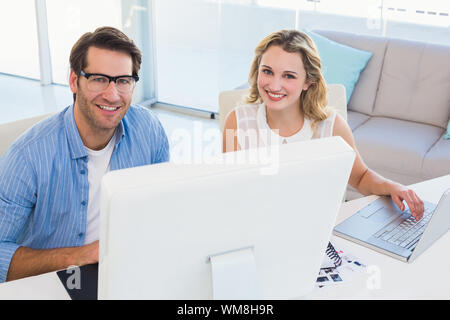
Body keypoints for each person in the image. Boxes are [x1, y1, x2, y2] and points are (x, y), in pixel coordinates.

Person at [0, 27, 169, 282]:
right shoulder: (27, 157)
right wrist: (76, 257)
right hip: (53, 283)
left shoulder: (149, 130)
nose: (112, 95)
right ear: (73, 81)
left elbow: (161, 209)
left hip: (130, 273)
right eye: (99, 79)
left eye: (123, 81)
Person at [222, 29, 424, 220]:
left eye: (289, 76)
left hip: (316, 231)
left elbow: (360, 178)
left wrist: (393, 187)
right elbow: (229, 189)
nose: (274, 85)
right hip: (257, 227)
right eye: (267, 71)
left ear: (307, 82)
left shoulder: (331, 127)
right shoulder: (238, 122)